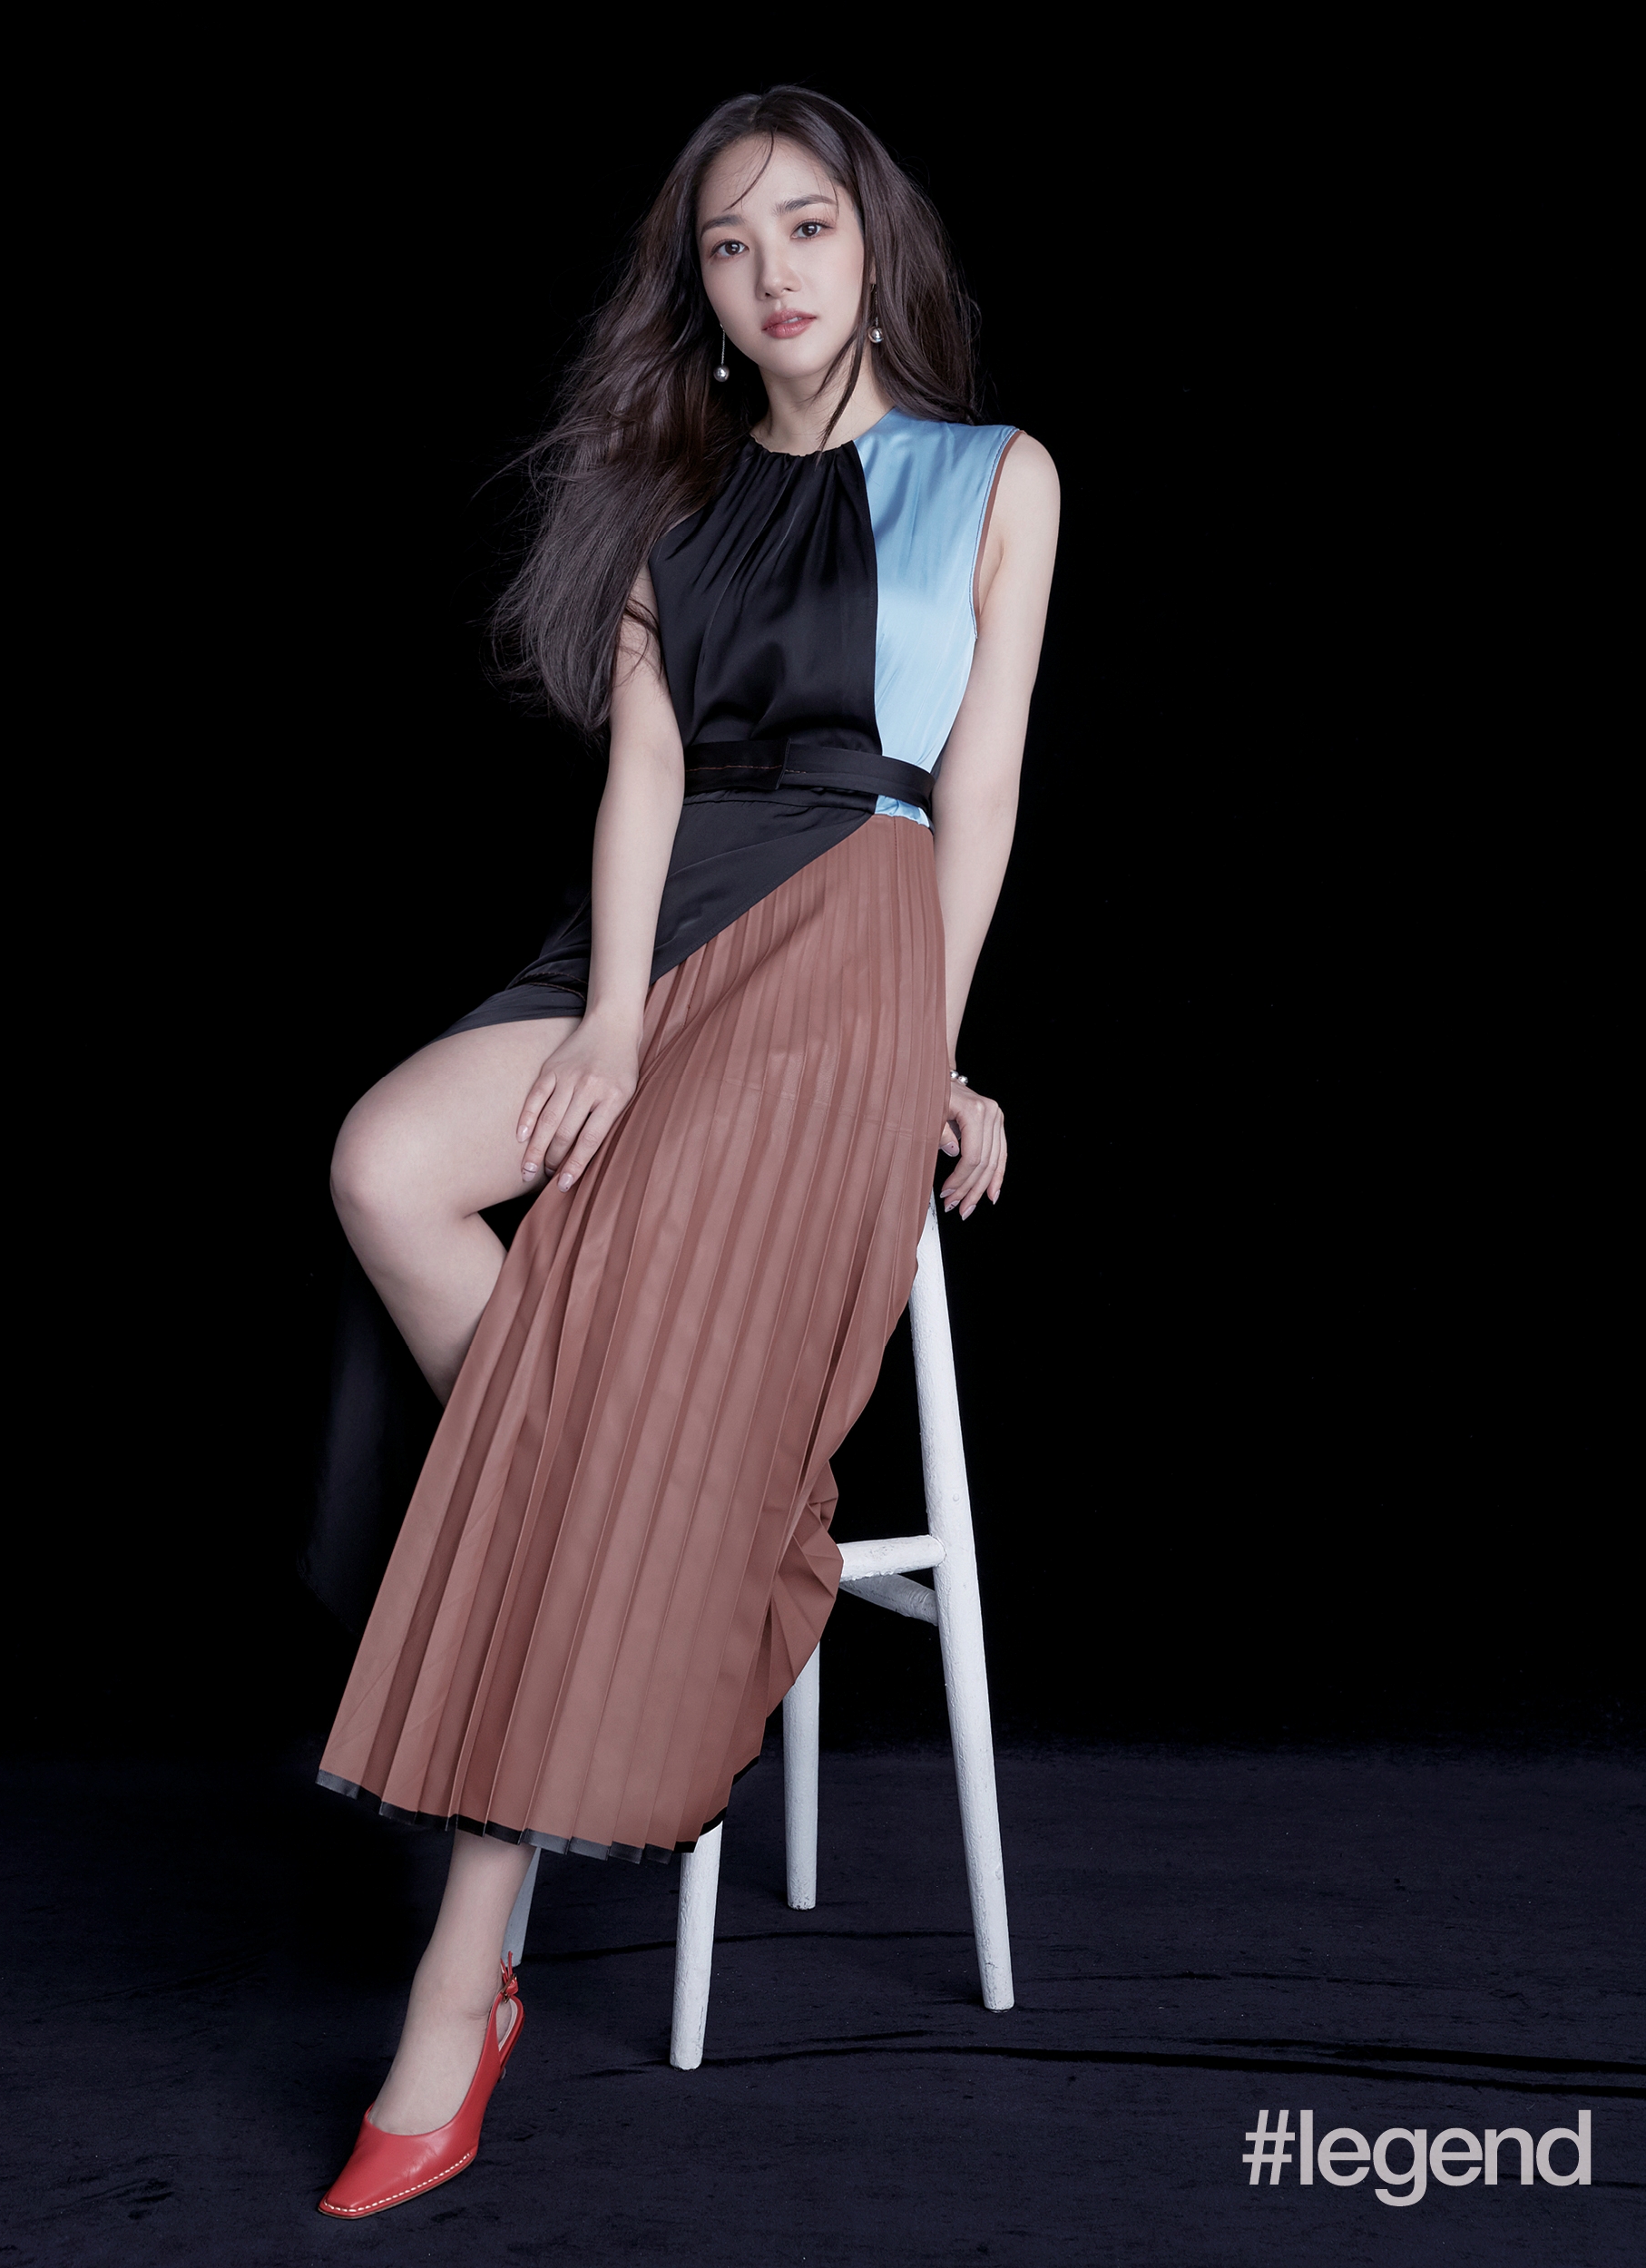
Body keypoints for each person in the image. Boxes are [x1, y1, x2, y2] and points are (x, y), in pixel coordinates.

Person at [311, 85, 1058, 2220]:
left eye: (806, 226)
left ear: (872, 241)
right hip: (666, 922)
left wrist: (935, 1045)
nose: (773, 272)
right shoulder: (679, 494)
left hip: (852, 930)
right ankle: (684, 1525)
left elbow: (977, 788)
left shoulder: (996, 475)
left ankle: (459, 1984)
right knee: (387, 1161)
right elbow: (640, 775)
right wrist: (616, 1018)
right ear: (702, 296)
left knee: (602, 1277)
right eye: (730, 247)